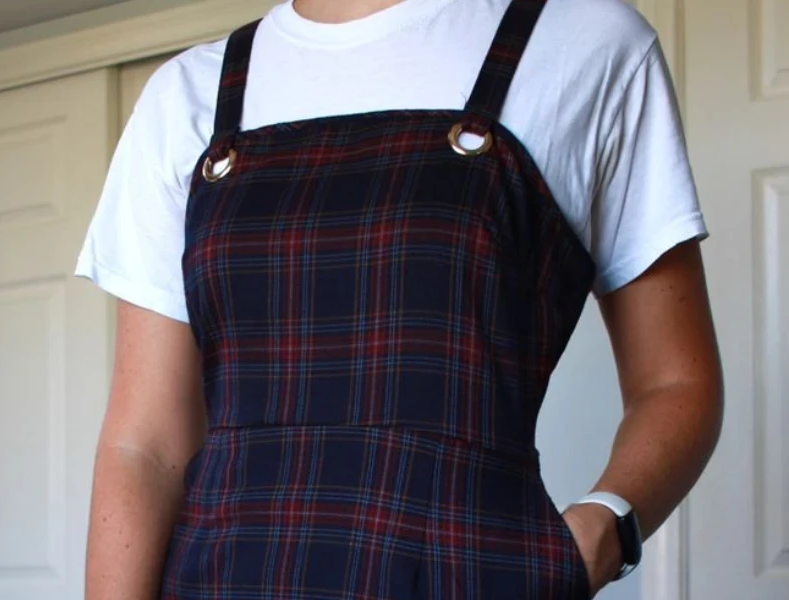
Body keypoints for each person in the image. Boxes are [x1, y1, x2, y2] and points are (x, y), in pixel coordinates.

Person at [75, 0, 724, 597]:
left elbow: (676, 382)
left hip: (467, 576)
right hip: (222, 578)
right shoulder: (189, 94)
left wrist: (600, 534)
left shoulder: (587, 44)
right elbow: (145, 443)